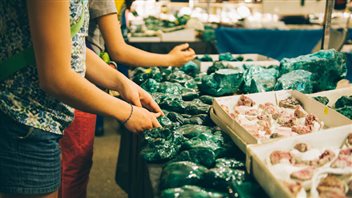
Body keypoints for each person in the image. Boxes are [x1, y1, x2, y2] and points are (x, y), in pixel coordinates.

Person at [0, 1, 162, 198]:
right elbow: (55, 78)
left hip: (41, 119)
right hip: (25, 119)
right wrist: (126, 112)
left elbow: (69, 46)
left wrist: (122, 83)